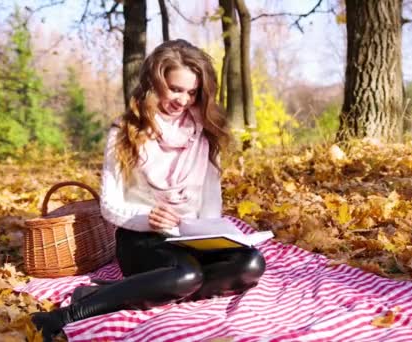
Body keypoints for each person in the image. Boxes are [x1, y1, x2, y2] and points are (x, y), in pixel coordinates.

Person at [31, 39, 266, 341]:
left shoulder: (205, 134)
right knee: (186, 275)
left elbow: (211, 200)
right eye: (176, 89)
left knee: (250, 264)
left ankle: (117, 293)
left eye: (192, 92)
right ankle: (66, 315)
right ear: (154, 84)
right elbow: (110, 205)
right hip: (141, 240)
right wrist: (147, 218)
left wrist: (209, 234)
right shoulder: (124, 133)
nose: (183, 100)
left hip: (191, 237)